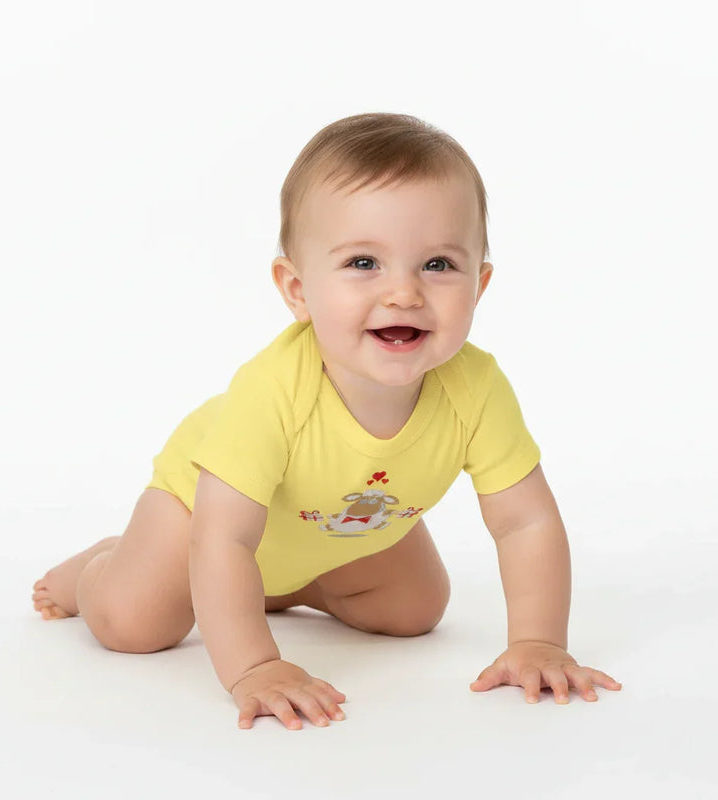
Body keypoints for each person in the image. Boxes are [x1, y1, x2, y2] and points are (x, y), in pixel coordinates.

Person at [32, 112, 622, 730]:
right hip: (201, 518)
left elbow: (525, 522)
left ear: (480, 284)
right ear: (297, 288)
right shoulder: (273, 390)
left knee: (414, 609)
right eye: (364, 263)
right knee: (133, 623)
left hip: (331, 527)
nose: (403, 293)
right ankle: (99, 567)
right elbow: (225, 538)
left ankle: (280, 585)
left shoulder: (477, 388)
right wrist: (254, 665)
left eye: (439, 265)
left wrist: (540, 642)